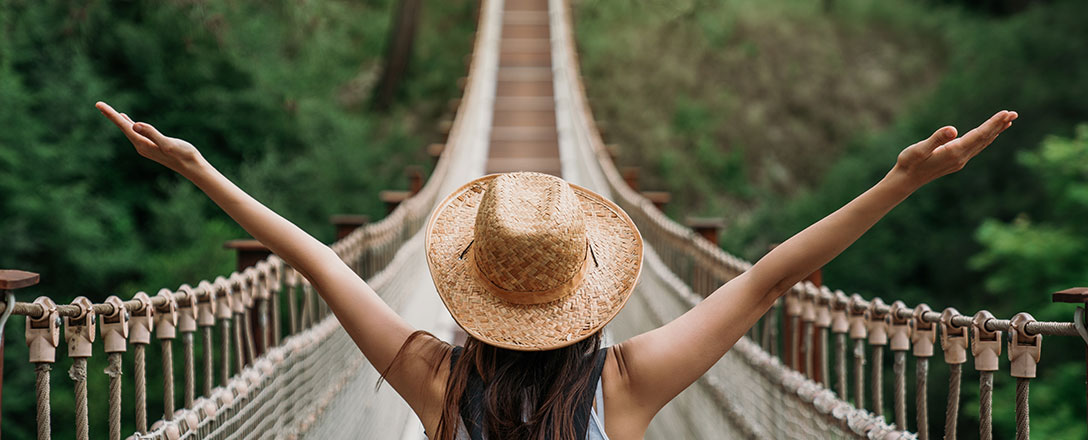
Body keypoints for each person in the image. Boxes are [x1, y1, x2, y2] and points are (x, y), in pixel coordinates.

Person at [95, 101, 1016, 439]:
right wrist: (898, 183)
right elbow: (770, 280)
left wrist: (198, 169)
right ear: (585, 290)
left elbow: (310, 261)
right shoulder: (628, 383)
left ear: (472, 286)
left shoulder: (434, 380)